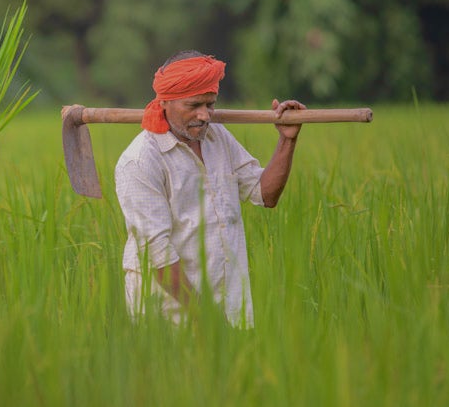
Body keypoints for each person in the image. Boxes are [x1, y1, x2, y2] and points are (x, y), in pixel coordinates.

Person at [115, 51, 306, 327]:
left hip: (229, 310)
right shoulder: (140, 161)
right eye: (194, 105)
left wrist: (287, 140)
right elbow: (157, 255)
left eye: (210, 104)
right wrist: (208, 323)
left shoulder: (216, 137)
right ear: (165, 102)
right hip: (170, 321)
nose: (204, 115)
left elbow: (265, 194)